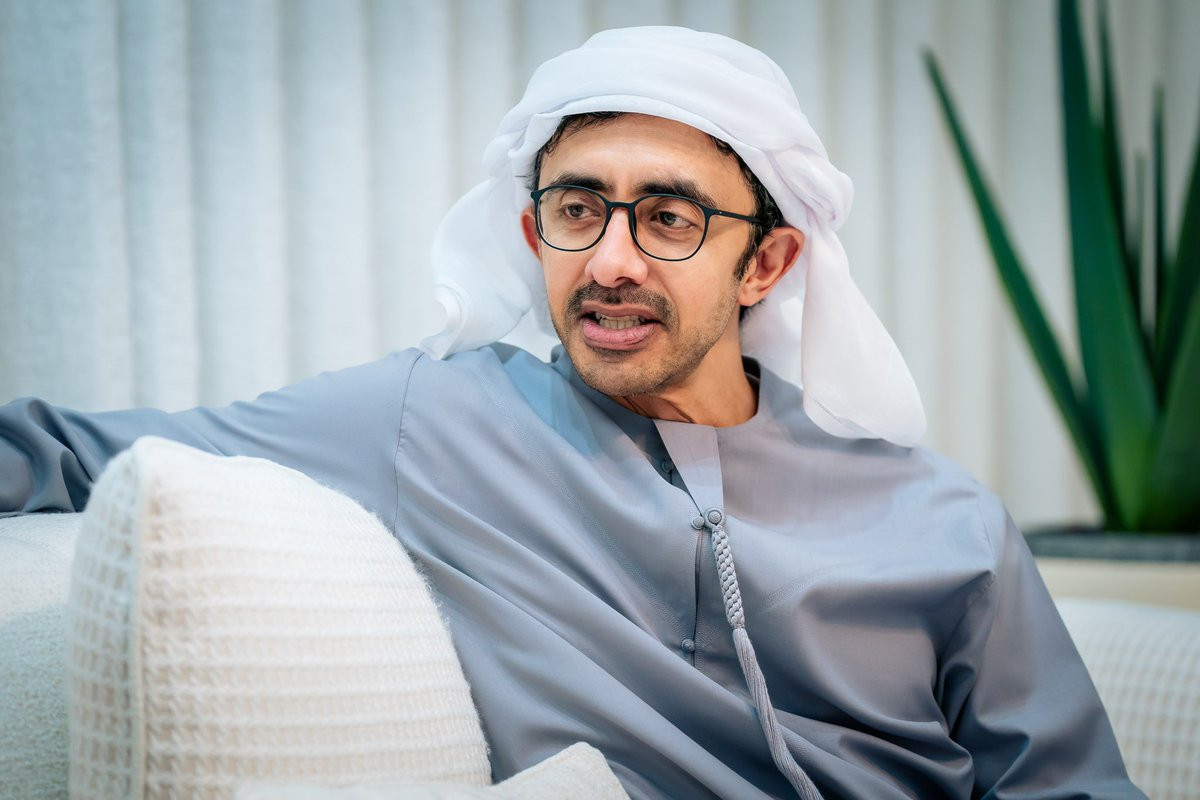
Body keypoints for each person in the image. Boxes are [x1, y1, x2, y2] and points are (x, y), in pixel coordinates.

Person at [0, 26, 1144, 800]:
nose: (609, 261)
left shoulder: (943, 519)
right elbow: (60, 450)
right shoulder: (434, 420)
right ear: (530, 230)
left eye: (670, 218)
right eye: (578, 208)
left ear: (766, 262)